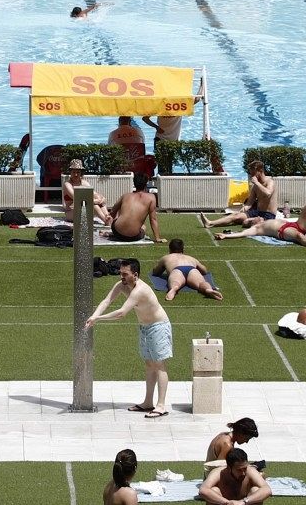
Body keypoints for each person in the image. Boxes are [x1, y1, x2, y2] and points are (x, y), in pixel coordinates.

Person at [86, 259, 172, 418]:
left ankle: (161, 405)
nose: (121, 277)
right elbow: (106, 301)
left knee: (159, 364)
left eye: (125, 274)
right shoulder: (121, 285)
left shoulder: (140, 290)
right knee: (149, 363)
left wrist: (98, 319)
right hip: (145, 327)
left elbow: (121, 313)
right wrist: (94, 315)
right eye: (120, 273)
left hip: (158, 326)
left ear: (136, 275)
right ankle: (148, 402)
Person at [214, 201, 306, 248]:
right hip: (283, 232)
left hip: (294, 225)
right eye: (254, 218)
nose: (258, 217)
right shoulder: (256, 228)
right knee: (299, 236)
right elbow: (242, 233)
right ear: (252, 223)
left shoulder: (265, 220)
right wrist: (226, 236)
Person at [151, 238, 220, 300]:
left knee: (176, 283)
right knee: (201, 283)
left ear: (170, 249)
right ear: (183, 249)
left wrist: (163, 267)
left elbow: (155, 272)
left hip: (177, 270)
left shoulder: (166, 257)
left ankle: (173, 289)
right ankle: (208, 289)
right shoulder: (191, 258)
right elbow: (204, 271)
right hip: (192, 269)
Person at [108, 174, 161, 244]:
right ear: (145, 184)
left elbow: (112, 212)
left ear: (134, 184)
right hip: (133, 236)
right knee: (143, 227)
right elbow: (153, 219)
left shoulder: (125, 196)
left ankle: (116, 229)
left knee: (121, 209)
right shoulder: (151, 198)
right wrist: (157, 238)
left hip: (117, 232)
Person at [62, 159, 112, 225]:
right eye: (74, 172)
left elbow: (94, 194)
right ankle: (106, 221)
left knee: (98, 198)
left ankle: (107, 216)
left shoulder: (84, 183)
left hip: (84, 210)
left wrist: (101, 199)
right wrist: (94, 201)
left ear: (81, 173)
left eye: (78, 172)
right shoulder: (67, 184)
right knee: (92, 204)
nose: (76, 174)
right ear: (70, 172)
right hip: (71, 212)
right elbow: (76, 198)